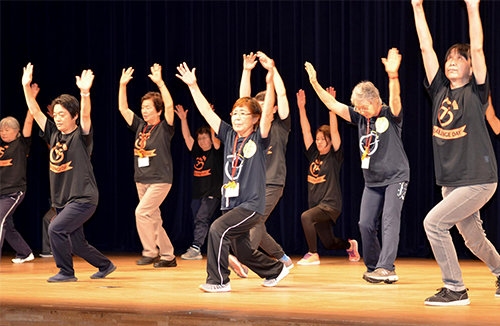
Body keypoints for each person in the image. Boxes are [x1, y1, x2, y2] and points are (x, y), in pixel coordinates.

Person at [412, 0, 500, 305]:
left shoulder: (476, 91)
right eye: (450, 58)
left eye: (459, 59)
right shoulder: (439, 90)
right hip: (451, 182)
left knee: (433, 224)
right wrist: (417, 7)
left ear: (470, 67)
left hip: (478, 179)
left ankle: (455, 288)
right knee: (473, 238)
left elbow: (477, 49)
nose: (452, 61)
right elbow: (426, 47)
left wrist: (473, 7)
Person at [176, 61, 289, 292]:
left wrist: (270, 83)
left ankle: (219, 281)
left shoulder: (260, 137)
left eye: (243, 114)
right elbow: (206, 112)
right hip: (231, 202)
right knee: (243, 250)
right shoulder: (228, 135)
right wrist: (193, 86)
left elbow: (267, 114)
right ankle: (275, 270)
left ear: (254, 119)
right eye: (234, 113)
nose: (237, 117)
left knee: (217, 229)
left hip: (250, 204)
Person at [304, 48, 409, 283]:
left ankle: (387, 267)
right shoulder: (360, 117)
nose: (360, 111)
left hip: (396, 177)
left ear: (376, 101)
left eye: (364, 107)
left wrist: (393, 76)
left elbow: (395, 99)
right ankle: (374, 267)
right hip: (372, 182)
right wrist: (314, 83)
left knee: (390, 220)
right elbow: (332, 103)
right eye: (358, 108)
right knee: (365, 224)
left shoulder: (389, 114)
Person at [22, 63, 115, 282]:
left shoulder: (81, 136)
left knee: (55, 228)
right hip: (63, 200)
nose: (58, 117)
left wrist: (84, 92)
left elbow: (86, 114)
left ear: (72, 116)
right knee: (77, 243)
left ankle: (66, 272)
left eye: (62, 114)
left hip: (83, 198)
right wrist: (25, 86)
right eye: (55, 114)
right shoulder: (53, 133)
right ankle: (105, 265)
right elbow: (34, 111)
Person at [227, 52, 294, 278]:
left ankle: (247, 259)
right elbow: (243, 100)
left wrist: (272, 71)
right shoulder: (253, 129)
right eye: (259, 109)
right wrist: (246, 71)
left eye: (267, 107)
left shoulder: (281, 125)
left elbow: (282, 94)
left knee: (255, 220)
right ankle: (281, 257)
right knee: (257, 222)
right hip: (250, 184)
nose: (263, 111)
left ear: (273, 109)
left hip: (272, 182)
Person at [118, 64, 177, 268]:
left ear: (158, 110)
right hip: (141, 179)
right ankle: (168, 256)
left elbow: (170, 107)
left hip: (160, 180)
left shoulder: (164, 127)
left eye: (148, 107)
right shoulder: (140, 127)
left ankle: (150, 251)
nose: (144, 110)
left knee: (141, 213)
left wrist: (160, 83)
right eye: (143, 107)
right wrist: (122, 85)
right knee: (153, 218)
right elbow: (123, 109)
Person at [296, 88, 360, 266]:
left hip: (330, 204)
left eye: (322, 139)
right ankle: (350, 245)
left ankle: (313, 254)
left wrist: (332, 108)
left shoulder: (334, 156)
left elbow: (335, 131)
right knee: (329, 243)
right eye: (317, 139)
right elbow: (305, 132)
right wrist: (301, 108)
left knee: (305, 217)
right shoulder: (313, 155)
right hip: (316, 205)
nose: (318, 142)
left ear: (329, 142)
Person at [174, 104, 222, 260]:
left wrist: (209, 117)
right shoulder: (197, 151)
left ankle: (195, 248)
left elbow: (215, 138)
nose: (201, 141)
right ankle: (201, 246)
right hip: (197, 193)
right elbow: (187, 137)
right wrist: (183, 119)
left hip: (212, 192)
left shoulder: (216, 150)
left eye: (204, 137)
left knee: (202, 218)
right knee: (198, 219)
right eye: (199, 138)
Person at [0, 84, 37, 264]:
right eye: (1, 129)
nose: (4, 132)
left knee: (0, 219)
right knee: (7, 224)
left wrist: (32, 96)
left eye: (8, 129)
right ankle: (25, 252)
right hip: (0, 192)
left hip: (13, 191)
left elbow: (29, 122)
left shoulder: (21, 145)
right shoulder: (0, 147)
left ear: (17, 131)